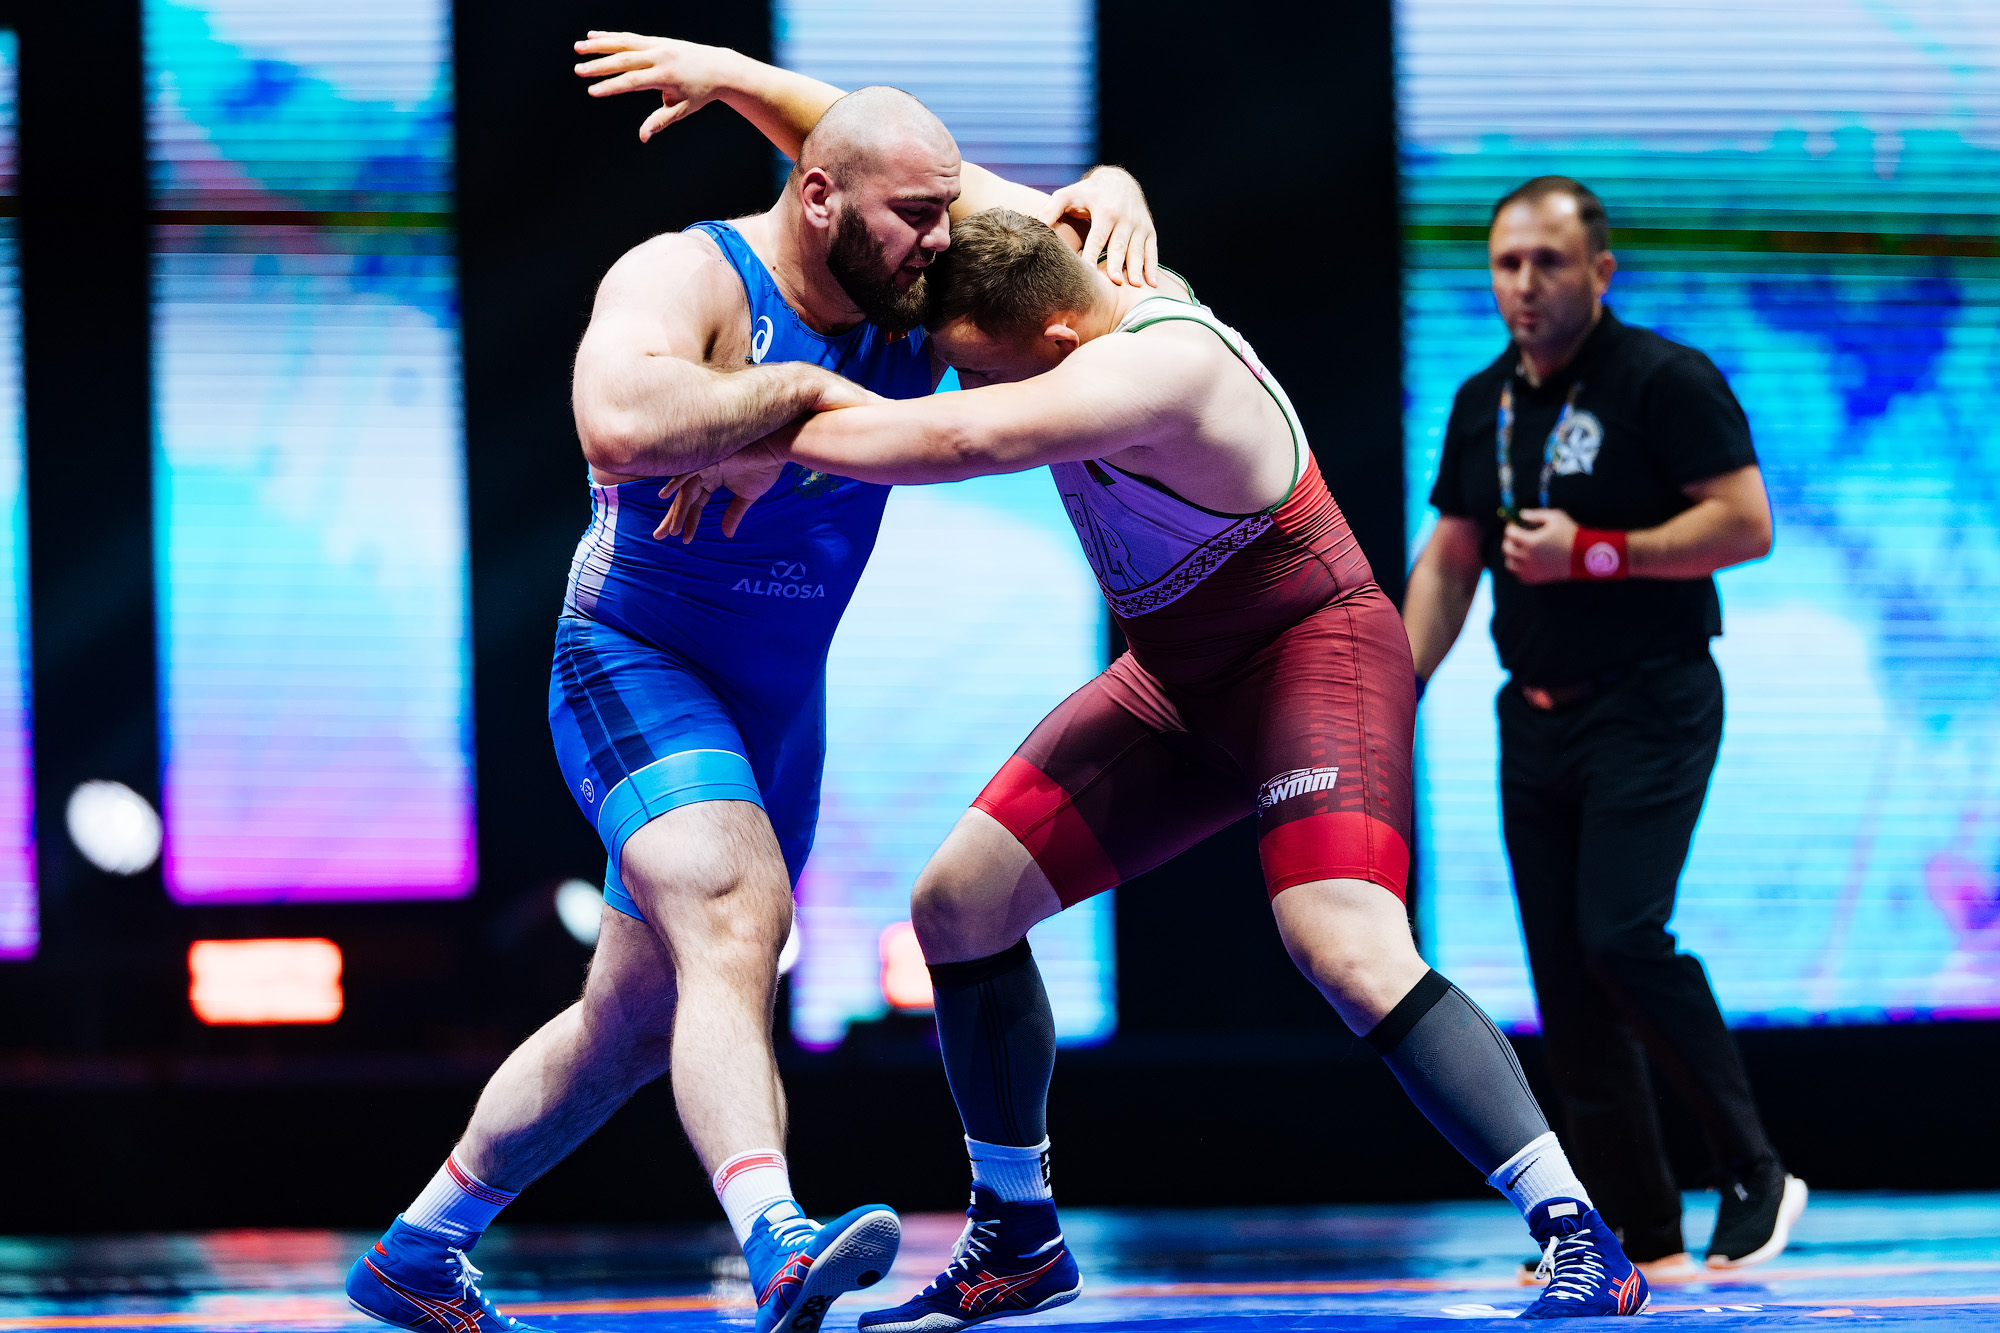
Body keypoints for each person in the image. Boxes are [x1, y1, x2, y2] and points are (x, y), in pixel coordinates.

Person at [671, 207, 1654, 1320]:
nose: (964, 388)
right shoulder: (1064, 287)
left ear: (1053, 343)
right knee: (958, 904)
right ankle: (1017, 1235)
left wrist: (741, 422)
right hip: (1176, 679)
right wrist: (752, 102)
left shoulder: (1161, 364)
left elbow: (959, 442)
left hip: (1310, 656)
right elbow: (923, 177)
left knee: (1343, 942)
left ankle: (1580, 1235)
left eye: (978, 370)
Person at [342, 33, 1160, 1333]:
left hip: (777, 705)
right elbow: (616, 421)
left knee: (630, 1022)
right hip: (634, 661)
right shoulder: (688, 275)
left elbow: (1075, 251)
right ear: (818, 198)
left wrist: (1109, 184)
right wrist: (789, 397)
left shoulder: (913, 271)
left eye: (947, 212)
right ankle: (777, 1237)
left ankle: (417, 1251)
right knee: (738, 914)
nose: (939, 240)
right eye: (914, 214)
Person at [1401, 176, 1804, 1280]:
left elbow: (1746, 523)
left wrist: (1596, 552)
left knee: (1620, 937)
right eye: (1506, 264)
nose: (1524, 284)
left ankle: (1754, 1169)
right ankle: (1636, 1228)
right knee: (1568, 990)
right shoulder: (1482, 400)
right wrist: (1393, 689)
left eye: (1548, 262)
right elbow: (1450, 561)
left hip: (1651, 698)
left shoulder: (1661, 378)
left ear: (1599, 271)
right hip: (1533, 717)